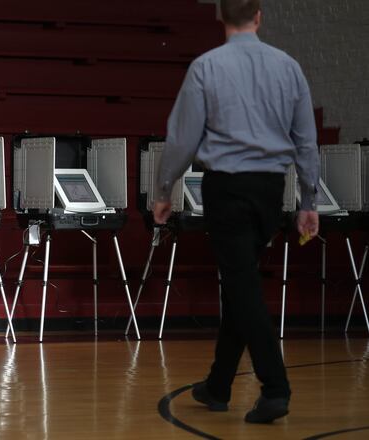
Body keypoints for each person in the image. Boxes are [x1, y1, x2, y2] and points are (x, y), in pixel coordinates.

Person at [152, 0, 320, 424]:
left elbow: (182, 137)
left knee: (242, 285)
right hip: (270, 189)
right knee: (239, 280)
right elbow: (306, 140)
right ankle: (219, 384)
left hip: (226, 186)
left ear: (219, 17)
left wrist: (162, 188)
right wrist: (308, 201)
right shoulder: (289, 67)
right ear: (260, 16)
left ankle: (275, 387)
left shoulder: (206, 67)